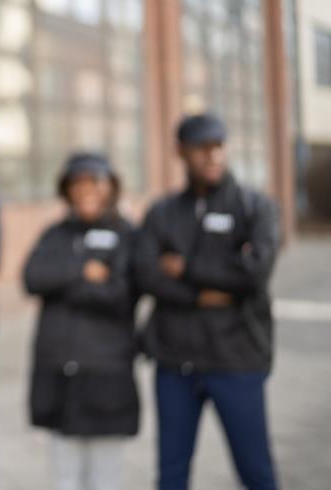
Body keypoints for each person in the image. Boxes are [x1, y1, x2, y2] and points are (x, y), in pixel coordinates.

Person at [135, 112, 281, 490]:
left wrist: (184, 269)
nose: (212, 156)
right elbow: (146, 274)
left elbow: (254, 274)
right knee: (171, 476)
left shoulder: (255, 207)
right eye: (202, 148)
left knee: (256, 472)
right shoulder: (162, 212)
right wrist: (206, 292)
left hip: (237, 360)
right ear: (180, 152)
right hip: (175, 363)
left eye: (218, 147)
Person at [23, 152, 139, 490]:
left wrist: (62, 284)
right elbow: (32, 278)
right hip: (59, 375)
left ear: (111, 187)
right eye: (79, 183)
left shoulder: (127, 235)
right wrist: (83, 271)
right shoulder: (54, 234)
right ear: (67, 189)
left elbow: (120, 294)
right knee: (64, 477)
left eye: (95, 182)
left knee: (105, 478)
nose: (87, 190)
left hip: (107, 376)